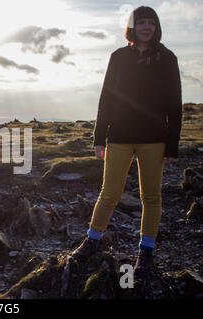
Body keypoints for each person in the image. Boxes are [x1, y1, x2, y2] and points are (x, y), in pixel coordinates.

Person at [70, 6, 182, 281]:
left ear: (156, 27)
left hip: (155, 139)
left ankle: (146, 252)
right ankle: (92, 241)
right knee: (109, 193)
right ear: (133, 27)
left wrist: (172, 144)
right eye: (141, 22)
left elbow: (174, 102)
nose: (146, 27)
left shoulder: (167, 59)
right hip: (119, 137)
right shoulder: (118, 57)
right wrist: (99, 138)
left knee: (151, 197)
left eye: (151, 23)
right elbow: (106, 98)